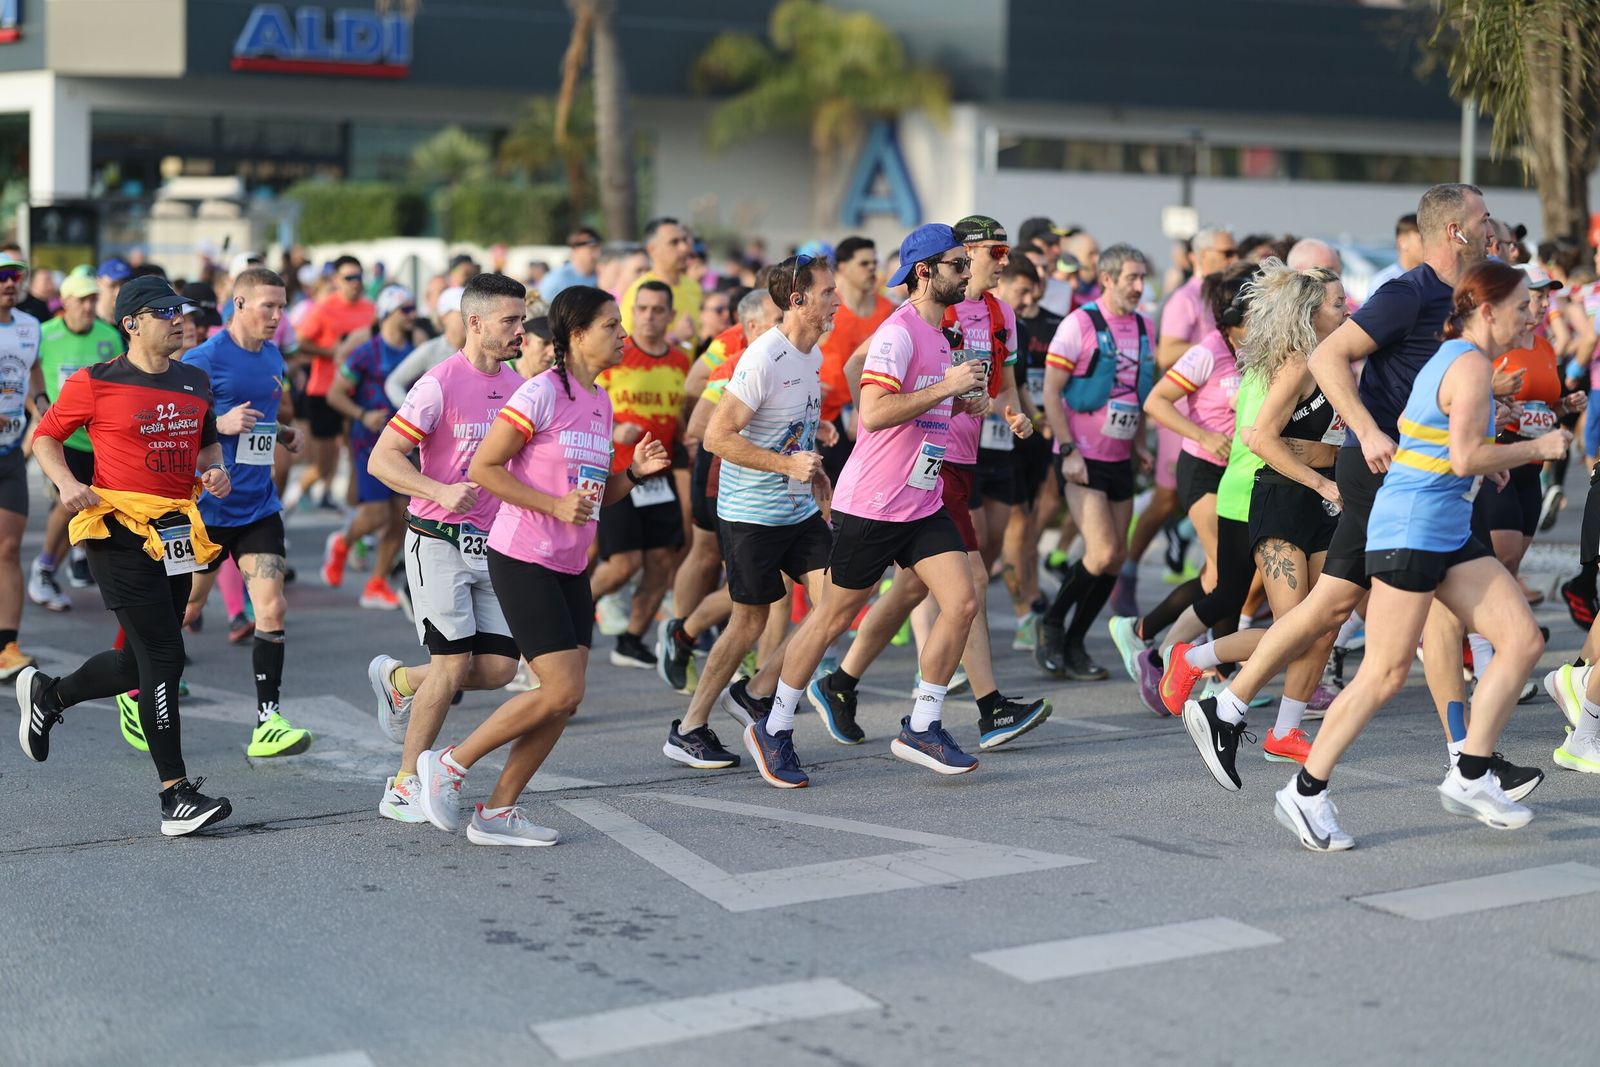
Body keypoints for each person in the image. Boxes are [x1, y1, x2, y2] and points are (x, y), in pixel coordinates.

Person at [1175, 183, 1541, 801]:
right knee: (1428, 626)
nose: (1491, 230)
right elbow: (1328, 359)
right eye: (1482, 222)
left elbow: (1428, 385)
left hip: (1423, 474)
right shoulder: (1408, 292)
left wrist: (1480, 441)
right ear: (1455, 231)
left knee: (1332, 607)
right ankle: (1465, 761)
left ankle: (1228, 707)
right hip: (1386, 476)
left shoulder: (1455, 299)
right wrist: (1369, 432)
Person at [1271, 261, 1567, 851]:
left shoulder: (1459, 359)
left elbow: (1423, 431)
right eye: (1521, 307)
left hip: (1446, 529)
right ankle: (1304, 794)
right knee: (1384, 673)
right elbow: (1461, 459)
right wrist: (1534, 447)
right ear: (1487, 311)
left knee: (1524, 641)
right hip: (1409, 528)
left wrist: (1488, 439)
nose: (1533, 315)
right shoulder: (1470, 362)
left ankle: (1471, 774)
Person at [411, 285, 671, 845]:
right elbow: (483, 467)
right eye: (611, 325)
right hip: (523, 556)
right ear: (577, 335)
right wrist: (553, 505)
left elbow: (596, 496)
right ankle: (450, 764)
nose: (623, 335)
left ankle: (499, 812)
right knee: (557, 691)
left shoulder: (600, 401)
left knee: (567, 698)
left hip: (571, 563)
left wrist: (636, 475)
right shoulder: (540, 394)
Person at [743, 224, 984, 787]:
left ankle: (922, 724)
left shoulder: (942, 335)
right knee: (831, 619)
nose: (966, 273)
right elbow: (874, 412)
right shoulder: (897, 332)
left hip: (921, 501)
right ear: (924, 272)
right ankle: (773, 725)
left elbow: (926, 409)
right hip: (873, 504)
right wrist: (946, 387)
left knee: (963, 601)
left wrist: (966, 402)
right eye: (956, 265)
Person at [810, 217, 1047, 752]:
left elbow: (998, 382)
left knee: (917, 587)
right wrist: (876, 422)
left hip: (960, 456)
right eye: (991, 252)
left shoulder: (999, 312)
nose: (1001, 262)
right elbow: (857, 367)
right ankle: (987, 708)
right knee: (970, 581)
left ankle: (841, 682)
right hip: (920, 467)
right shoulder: (924, 310)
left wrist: (1012, 414)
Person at [21, 275, 234, 836]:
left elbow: (206, 440)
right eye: (165, 312)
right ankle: (175, 794)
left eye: (181, 311)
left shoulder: (194, 379)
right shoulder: (96, 381)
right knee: (165, 658)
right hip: (117, 531)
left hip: (176, 530)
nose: (179, 320)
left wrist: (214, 469)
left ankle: (51, 694)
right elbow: (46, 436)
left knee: (142, 659)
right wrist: (67, 483)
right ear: (132, 323)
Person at [659, 254, 837, 769]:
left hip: (796, 510)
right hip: (750, 515)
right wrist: (786, 463)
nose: (836, 301)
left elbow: (789, 431)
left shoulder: (812, 355)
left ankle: (755, 693)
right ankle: (689, 727)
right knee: (749, 622)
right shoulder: (764, 358)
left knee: (837, 602)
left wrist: (814, 458)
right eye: (826, 293)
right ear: (798, 300)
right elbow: (715, 436)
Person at [364, 273, 526, 822]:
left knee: (502, 669)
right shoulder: (437, 383)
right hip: (436, 539)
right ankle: (404, 783)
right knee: (453, 665)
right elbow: (381, 459)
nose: (520, 331)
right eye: (510, 321)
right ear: (475, 323)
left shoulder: (519, 383)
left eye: (522, 319)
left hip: (494, 545)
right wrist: (438, 490)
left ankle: (399, 681)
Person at [1180, 262, 1350, 763]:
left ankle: (1286, 731)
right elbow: (1259, 438)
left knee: (1325, 627)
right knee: (1293, 626)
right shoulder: (1297, 364)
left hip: (1325, 502)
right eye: (1338, 304)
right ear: (1311, 312)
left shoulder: (1337, 361)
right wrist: (1321, 477)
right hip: (1281, 498)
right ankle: (1193, 658)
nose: (1347, 310)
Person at [160, 266, 312, 758]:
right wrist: (219, 421)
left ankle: (268, 721)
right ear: (238, 304)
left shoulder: (272, 356)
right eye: (267, 306)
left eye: (282, 306)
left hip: (258, 506)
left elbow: (264, 419)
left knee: (272, 607)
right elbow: (174, 425)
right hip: (208, 507)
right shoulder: (203, 359)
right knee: (187, 609)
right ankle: (136, 685)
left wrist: (284, 433)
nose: (277, 316)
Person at [1111, 263, 1252, 691]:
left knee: (1223, 576)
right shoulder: (1207, 350)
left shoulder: (1258, 353)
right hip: (1203, 470)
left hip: (1239, 474)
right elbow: (1157, 402)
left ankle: (1141, 631)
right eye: (1253, 320)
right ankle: (1218, 672)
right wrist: (1204, 435)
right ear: (1231, 322)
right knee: (1224, 576)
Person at [1035, 244, 1157, 680]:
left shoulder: (1145, 326)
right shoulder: (1079, 323)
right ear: (1106, 279)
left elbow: (1134, 393)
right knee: (1102, 550)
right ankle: (1050, 624)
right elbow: (1051, 392)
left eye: (1142, 277)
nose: (1139, 287)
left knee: (1116, 556)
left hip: (1119, 455)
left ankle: (1074, 641)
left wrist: (1141, 444)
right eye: (1131, 278)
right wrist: (1066, 451)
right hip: (1080, 456)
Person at [1116, 227, 1238, 617]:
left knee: (1224, 553)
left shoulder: (1230, 290)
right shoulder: (1187, 298)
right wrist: (1220, 343)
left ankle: (1203, 616)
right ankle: (1129, 571)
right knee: (1167, 497)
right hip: (1184, 415)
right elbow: (1166, 352)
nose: (1233, 257)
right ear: (1200, 257)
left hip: (1224, 414)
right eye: (1226, 251)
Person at [589, 280, 690, 667]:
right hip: (617, 471)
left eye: (657, 309)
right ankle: (572, 614)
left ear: (670, 315)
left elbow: (679, 415)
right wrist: (613, 432)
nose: (649, 316)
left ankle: (630, 640)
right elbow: (584, 404)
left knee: (662, 562)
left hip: (659, 473)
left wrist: (688, 435)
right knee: (621, 565)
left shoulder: (681, 361)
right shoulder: (616, 355)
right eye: (642, 308)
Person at [320, 286, 417, 609]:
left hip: (404, 443)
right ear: (388, 313)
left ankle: (376, 582)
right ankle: (343, 542)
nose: (412, 315)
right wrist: (362, 414)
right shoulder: (366, 352)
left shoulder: (413, 352)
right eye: (406, 309)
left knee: (402, 515)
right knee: (377, 513)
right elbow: (334, 394)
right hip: (369, 442)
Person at [30, 272, 121, 613]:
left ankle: (68, 561)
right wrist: (37, 408)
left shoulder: (109, 336)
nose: (88, 305)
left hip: (98, 439)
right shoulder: (45, 334)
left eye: (91, 299)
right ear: (64, 301)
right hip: (60, 437)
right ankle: (44, 567)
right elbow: (28, 373)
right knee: (66, 505)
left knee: (86, 507)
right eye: (81, 299)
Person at [294, 255, 375, 509]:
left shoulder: (370, 309)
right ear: (336, 280)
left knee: (357, 459)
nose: (355, 282)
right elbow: (299, 342)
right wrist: (334, 352)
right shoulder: (324, 308)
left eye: (359, 277)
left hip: (357, 392)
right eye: (349, 277)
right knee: (323, 466)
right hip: (324, 391)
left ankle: (352, 527)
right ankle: (291, 503)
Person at [818, 236, 895, 478]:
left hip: (873, 409)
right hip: (829, 415)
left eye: (874, 263)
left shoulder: (888, 310)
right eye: (864, 263)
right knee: (829, 489)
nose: (872, 268)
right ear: (842, 267)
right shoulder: (826, 306)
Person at [0, 252, 41, 679]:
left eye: (16, 275)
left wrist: (43, 405)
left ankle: (6, 646)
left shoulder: (30, 327)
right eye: (2, 276)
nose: (10, 282)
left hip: (10, 452)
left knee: (9, 549)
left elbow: (35, 374)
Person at [622, 218, 701, 347]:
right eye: (674, 242)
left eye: (685, 240)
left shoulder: (693, 287)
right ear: (652, 249)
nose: (684, 248)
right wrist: (675, 337)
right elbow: (625, 346)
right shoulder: (640, 290)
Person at [383, 286, 465, 408]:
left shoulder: (483, 351)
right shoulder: (430, 350)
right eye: (461, 313)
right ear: (444, 317)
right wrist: (413, 414)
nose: (469, 319)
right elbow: (393, 383)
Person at [539, 227, 602, 303]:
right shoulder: (556, 279)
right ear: (575, 249)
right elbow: (541, 310)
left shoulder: (601, 276)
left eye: (598, 248)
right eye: (591, 249)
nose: (597, 255)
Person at [1368, 214, 1423, 293]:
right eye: (1421, 240)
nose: (1428, 245)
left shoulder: (1434, 281)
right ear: (1402, 242)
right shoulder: (1384, 282)